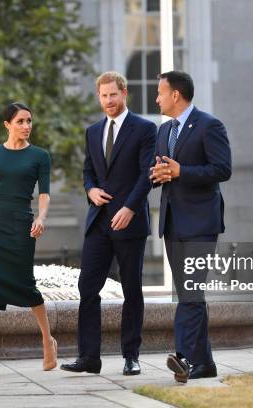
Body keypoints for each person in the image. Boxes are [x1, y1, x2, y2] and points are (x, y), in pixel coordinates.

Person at [60, 72, 157, 376]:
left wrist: (130, 207)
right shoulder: (92, 131)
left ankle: (131, 356)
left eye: (113, 95)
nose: (109, 101)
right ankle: (89, 357)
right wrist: (90, 190)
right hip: (99, 222)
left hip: (130, 222)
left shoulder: (145, 129)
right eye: (103, 96)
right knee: (87, 288)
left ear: (124, 93)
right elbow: (88, 170)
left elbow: (147, 175)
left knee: (132, 289)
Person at [149, 71, 231, 383]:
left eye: (160, 92)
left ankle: (182, 356)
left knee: (191, 293)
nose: (156, 98)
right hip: (172, 223)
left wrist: (182, 171)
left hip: (201, 224)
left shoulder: (210, 126)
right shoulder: (164, 129)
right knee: (188, 293)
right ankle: (204, 363)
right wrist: (156, 174)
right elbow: (159, 170)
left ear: (176, 95)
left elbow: (222, 169)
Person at [0, 102, 57, 378]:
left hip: (21, 222)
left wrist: (41, 218)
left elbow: (44, 193)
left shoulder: (39, 156)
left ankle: (47, 341)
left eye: (29, 121)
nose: (26, 126)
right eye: (20, 121)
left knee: (26, 283)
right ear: (7, 125)